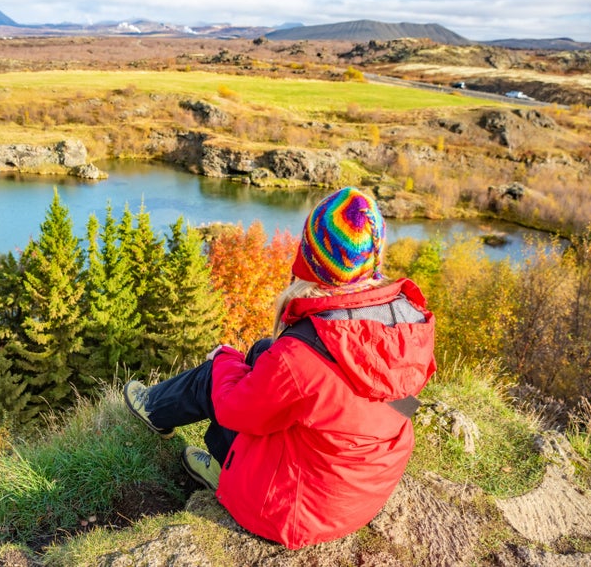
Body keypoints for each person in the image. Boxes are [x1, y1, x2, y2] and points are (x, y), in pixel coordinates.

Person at [123, 186, 436, 550]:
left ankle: (156, 412)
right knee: (263, 351)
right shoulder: (408, 320)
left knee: (217, 377)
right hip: (357, 493)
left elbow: (233, 409)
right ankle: (208, 439)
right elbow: (375, 395)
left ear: (312, 258)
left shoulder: (301, 355)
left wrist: (224, 357)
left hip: (293, 511)